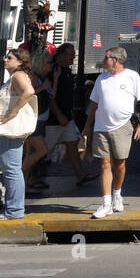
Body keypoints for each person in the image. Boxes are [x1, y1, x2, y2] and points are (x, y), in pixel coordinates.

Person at [81, 48, 140, 219]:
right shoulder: (101, 79)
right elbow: (94, 105)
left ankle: (117, 194)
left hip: (123, 126)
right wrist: (88, 126)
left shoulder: (132, 76)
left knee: (119, 164)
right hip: (101, 127)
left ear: (115, 59)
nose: (104, 59)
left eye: (106, 57)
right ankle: (106, 203)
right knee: (104, 164)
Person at [0, 47, 39, 221]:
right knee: (11, 170)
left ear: (20, 62)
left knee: (11, 171)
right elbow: (11, 97)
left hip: (10, 132)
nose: (5, 60)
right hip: (6, 131)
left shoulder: (18, 76)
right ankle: (12, 208)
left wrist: (13, 111)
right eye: (5, 57)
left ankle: (14, 209)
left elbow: (29, 92)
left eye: (9, 58)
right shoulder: (14, 77)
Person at [44, 43, 97, 186]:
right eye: (71, 55)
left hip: (66, 117)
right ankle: (29, 177)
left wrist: (68, 114)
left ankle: (80, 175)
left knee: (73, 144)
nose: (73, 57)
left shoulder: (66, 70)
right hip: (54, 119)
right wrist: (59, 114)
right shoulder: (53, 70)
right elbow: (50, 97)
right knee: (42, 151)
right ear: (61, 55)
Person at [23, 49, 54, 195]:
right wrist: (42, 87)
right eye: (49, 62)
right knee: (42, 150)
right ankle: (17, 176)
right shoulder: (33, 78)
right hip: (34, 119)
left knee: (30, 152)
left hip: (40, 117)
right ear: (42, 64)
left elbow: (52, 95)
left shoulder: (43, 77)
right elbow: (26, 95)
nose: (51, 65)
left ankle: (24, 184)